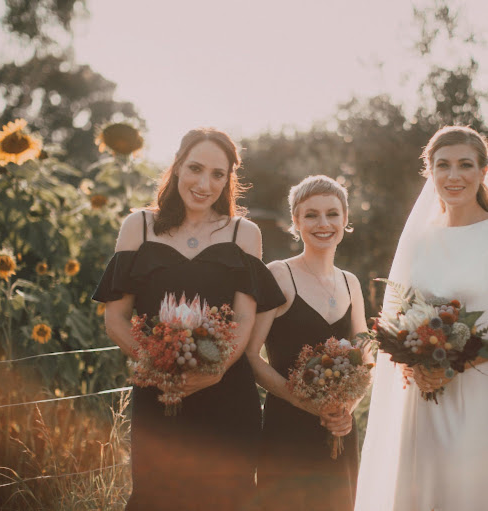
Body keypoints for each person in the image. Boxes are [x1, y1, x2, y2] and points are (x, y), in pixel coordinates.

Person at [92, 128, 286, 511]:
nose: (204, 183)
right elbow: (115, 317)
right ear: (177, 166)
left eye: (218, 174)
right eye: (195, 168)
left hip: (228, 398)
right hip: (160, 396)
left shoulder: (243, 233)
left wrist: (214, 371)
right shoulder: (139, 226)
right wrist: (160, 368)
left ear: (229, 179)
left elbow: (245, 320)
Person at [355, 125, 488, 511]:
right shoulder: (422, 239)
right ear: (429, 172)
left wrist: (457, 364)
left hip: (479, 392)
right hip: (426, 396)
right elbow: (400, 314)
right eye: (442, 165)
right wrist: (413, 361)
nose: (453, 175)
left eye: (465, 164)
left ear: (483, 171)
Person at [246, 175, 370, 511]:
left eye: (332, 213)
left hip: (340, 431)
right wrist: (306, 403)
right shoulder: (278, 274)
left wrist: (347, 410)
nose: (323, 223)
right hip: (287, 430)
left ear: (346, 220)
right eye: (311, 214)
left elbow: (365, 359)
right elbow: (251, 356)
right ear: (296, 222)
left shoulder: (351, 283)